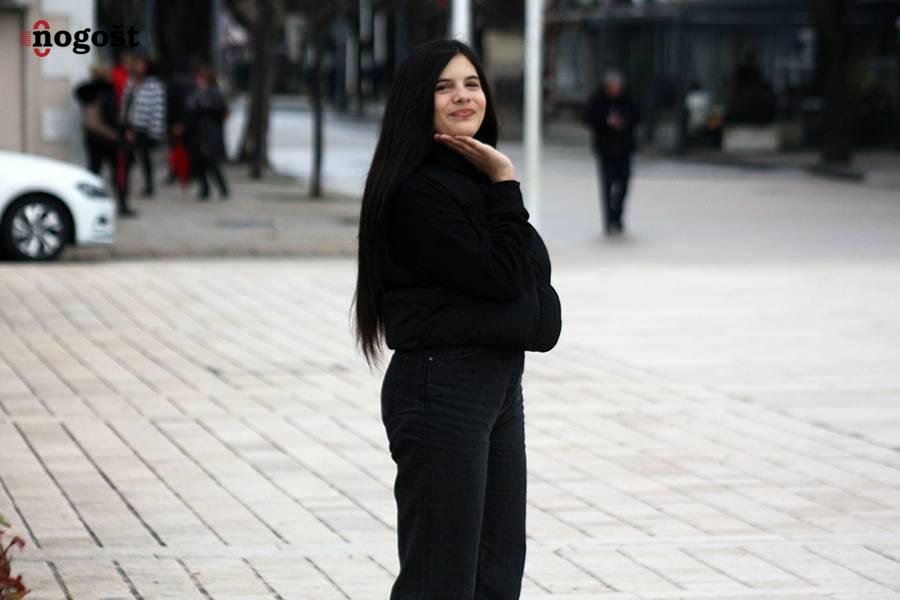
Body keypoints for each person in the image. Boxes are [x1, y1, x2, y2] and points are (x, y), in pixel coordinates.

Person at [352, 39, 562, 600]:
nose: (462, 96)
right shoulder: (417, 190)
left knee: (497, 573)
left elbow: (530, 276)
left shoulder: (471, 177)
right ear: (417, 101)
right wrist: (506, 182)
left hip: (495, 383)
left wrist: (497, 186)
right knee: (440, 580)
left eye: (471, 83)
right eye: (444, 87)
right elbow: (508, 278)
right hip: (441, 386)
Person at [583, 70, 640, 235]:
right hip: (605, 150)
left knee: (624, 184)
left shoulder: (628, 100)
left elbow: (637, 116)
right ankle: (608, 219)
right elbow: (588, 117)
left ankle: (618, 216)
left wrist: (623, 122)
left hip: (624, 150)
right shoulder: (598, 100)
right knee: (607, 185)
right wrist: (606, 122)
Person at [121, 57, 166, 198]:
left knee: (145, 156)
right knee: (129, 155)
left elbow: (157, 108)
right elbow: (126, 104)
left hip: (145, 127)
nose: (138, 67)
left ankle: (149, 184)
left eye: (141, 65)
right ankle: (125, 185)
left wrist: (155, 129)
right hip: (131, 124)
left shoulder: (154, 85)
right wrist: (125, 124)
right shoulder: (131, 83)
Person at [184, 67, 229, 200]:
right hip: (196, 132)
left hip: (210, 132)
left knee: (211, 162)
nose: (198, 81)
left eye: (201, 78)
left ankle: (222, 187)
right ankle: (204, 188)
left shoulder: (215, 93)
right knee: (198, 162)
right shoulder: (195, 93)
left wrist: (207, 106)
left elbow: (222, 111)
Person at [73, 64, 119, 176]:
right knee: (98, 168)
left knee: (100, 168)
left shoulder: (96, 89)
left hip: (98, 135)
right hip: (104, 134)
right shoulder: (96, 90)